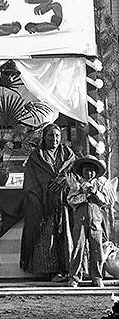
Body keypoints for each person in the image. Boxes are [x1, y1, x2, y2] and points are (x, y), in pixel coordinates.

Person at [20, 123, 75, 282]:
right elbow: (31, 181)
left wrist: (64, 179)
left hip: (64, 204)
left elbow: (76, 171)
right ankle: (51, 272)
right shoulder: (37, 156)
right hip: (44, 204)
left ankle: (67, 269)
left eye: (57, 136)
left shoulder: (67, 153)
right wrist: (45, 192)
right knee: (47, 237)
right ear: (44, 137)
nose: (55, 139)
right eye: (51, 136)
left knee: (66, 236)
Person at [67, 155, 110, 288]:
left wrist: (95, 193)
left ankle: (96, 277)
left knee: (96, 248)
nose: (89, 173)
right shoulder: (77, 185)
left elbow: (106, 202)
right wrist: (84, 195)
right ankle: (74, 277)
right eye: (86, 170)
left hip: (96, 221)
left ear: (96, 173)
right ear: (82, 171)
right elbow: (70, 200)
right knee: (78, 248)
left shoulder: (100, 185)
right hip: (80, 220)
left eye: (92, 170)